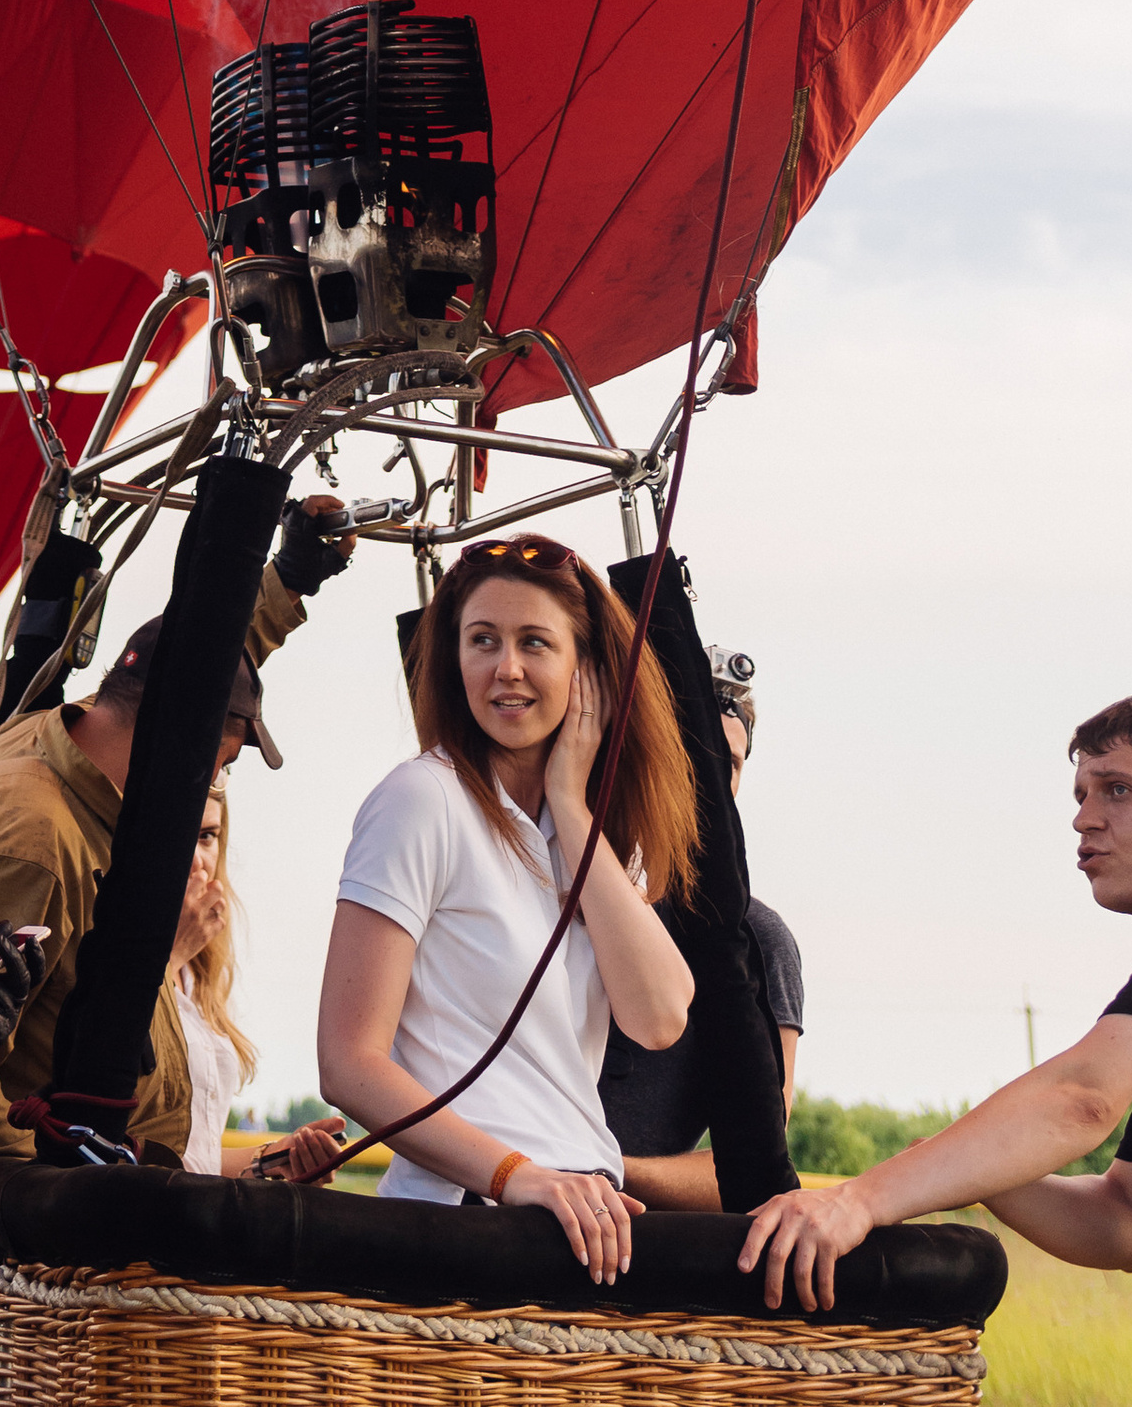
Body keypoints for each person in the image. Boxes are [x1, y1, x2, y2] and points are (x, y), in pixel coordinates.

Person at [740, 689, 1132, 1404]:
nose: (1084, 817)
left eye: (1118, 790)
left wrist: (859, 1201)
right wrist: (972, 1169)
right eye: (1080, 794)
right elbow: (1127, 1222)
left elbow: (1083, 1098)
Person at [0, 494, 352, 1163]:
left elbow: (196, 668)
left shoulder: (78, 732)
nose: (213, 787)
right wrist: (70, 1173)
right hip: (46, 1223)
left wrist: (286, 579)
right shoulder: (32, 842)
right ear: (178, 740)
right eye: (219, 764)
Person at [317, 533, 698, 1285]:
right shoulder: (422, 799)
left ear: (586, 674)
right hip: (467, 1219)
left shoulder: (590, 835)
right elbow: (348, 1062)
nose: (507, 669)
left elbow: (660, 1018)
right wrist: (515, 1174)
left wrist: (571, 802)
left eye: (535, 643)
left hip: (582, 1219)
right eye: (482, 641)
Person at [601, 673, 803, 1205]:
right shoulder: (558, 892)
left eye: (728, 763)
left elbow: (755, 1168)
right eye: (691, 750)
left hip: (628, 1243)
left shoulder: (760, 940)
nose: (709, 777)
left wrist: (595, 1169)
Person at [168, 784, 346, 1181]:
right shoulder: (109, 954)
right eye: (179, 832)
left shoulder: (201, 974)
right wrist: (169, 956)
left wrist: (271, 1159)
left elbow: (197, 1158)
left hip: (191, 1227)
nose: (197, 861)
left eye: (208, 837)